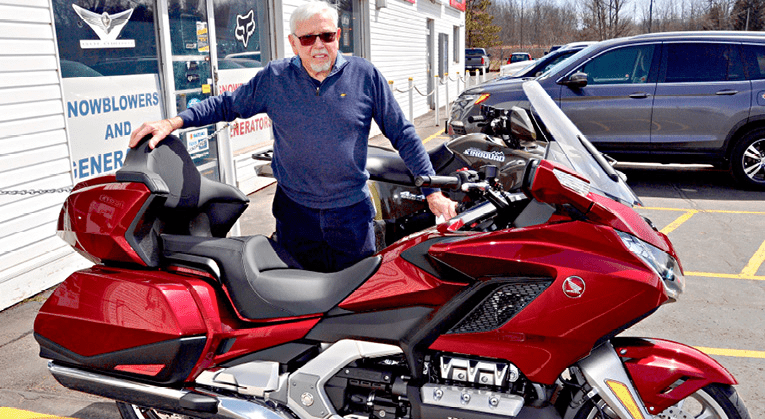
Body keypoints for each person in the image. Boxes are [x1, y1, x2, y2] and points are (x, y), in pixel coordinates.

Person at [128, 0, 456, 272]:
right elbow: (228, 105)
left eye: (326, 36)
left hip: (351, 218)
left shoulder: (365, 76)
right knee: (295, 311)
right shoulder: (275, 78)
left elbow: (404, 133)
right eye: (307, 38)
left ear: (338, 36)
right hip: (295, 216)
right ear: (293, 42)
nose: (318, 46)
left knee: (354, 305)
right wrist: (174, 122)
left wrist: (431, 190)